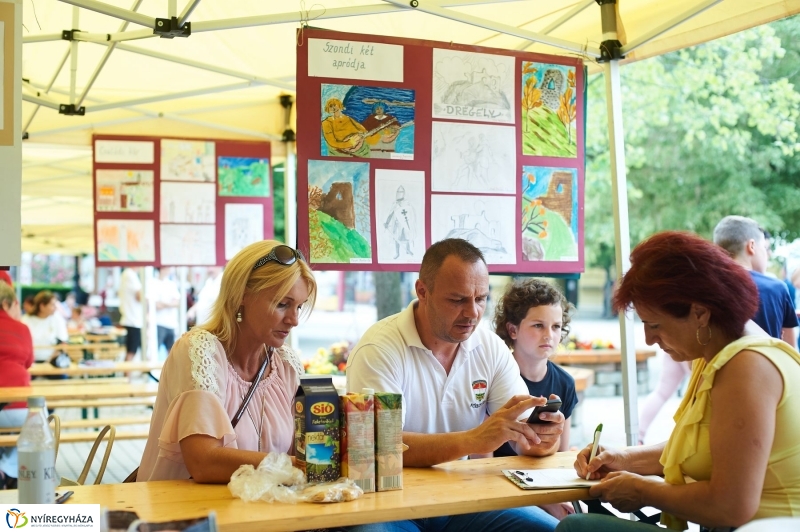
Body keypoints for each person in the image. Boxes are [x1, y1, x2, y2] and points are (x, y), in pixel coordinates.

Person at [556, 231, 800, 532]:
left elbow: (731, 506)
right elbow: (700, 449)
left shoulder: (746, 365)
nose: (649, 339)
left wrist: (643, 490)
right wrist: (623, 458)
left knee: (578, 528)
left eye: (654, 325)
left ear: (700, 313)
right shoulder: (719, 350)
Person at [346, 238, 563, 532]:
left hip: (464, 498)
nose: (473, 312)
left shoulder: (489, 347)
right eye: (458, 300)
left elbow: (523, 435)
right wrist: (473, 440)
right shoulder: (379, 349)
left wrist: (542, 438)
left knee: (558, 530)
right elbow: (378, 449)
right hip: (389, 503)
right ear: (422, 291)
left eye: (481, 298)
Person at [136, 241, 316, 482]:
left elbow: (300, 451)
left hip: (263, 505)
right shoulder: (200, 350)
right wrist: (304, 466)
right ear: (241, 295)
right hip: (182, 506)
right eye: (282, 304)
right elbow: (203, 462)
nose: (294, 320)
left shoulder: (286, 364)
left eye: (299, 307)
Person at [492, 278, 579, 521]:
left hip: (545, 483)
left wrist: (558, 498)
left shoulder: (565, 383)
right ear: (513, 330)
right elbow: (482, 462)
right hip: (500, 489)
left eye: (556, 326)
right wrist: (544, 502)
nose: (549, 335)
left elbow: (561, 456)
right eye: (538, 325)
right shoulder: (494, 380)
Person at [713, 215, 798, 347]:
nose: (768, 254)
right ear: (751, 246)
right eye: (764, 247)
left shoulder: (707, 287)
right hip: (766, 360)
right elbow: (790, 350)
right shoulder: (775, 288)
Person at [0, 282, 34, 490]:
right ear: (6, 303)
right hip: (19, 407)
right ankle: (8, 469)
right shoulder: (21, 328)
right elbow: (29, 362)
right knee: (37, 422)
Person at [21, 290, 69, 363]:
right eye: (52, 305)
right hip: (29, 362)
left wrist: (49, 361)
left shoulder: (57, 318)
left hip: (52, 362)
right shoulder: (26, 320)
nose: (55, 308)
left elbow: (63, 342)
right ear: (42, 306)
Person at [151, 267, 181, 354]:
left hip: (171, 324)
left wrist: (163, 303)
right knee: (154, 352)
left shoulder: (171, 284)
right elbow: (155, 305)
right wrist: (169, 303)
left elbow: (177, 303)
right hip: (158, 323)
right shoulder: (152, 283)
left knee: (172, 353)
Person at [383, 186, 417, 259]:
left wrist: (411, 224)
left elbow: (411, 214)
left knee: (407, 237)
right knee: (397, 238)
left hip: (406, 224)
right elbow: (390, 214)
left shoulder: (407, 203)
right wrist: (387, 223)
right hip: (398, 225)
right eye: (399, 192)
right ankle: (397, 253)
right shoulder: (395, 204)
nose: (399, 193)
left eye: (401, 192)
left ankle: (408, 250)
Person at [119, 267, 143, 361]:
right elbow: (139, 296)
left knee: (132, 351)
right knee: (131, 351)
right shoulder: (129, 274)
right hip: (132, 320)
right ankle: (126, 371)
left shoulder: (128, 274)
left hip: (132, 320)